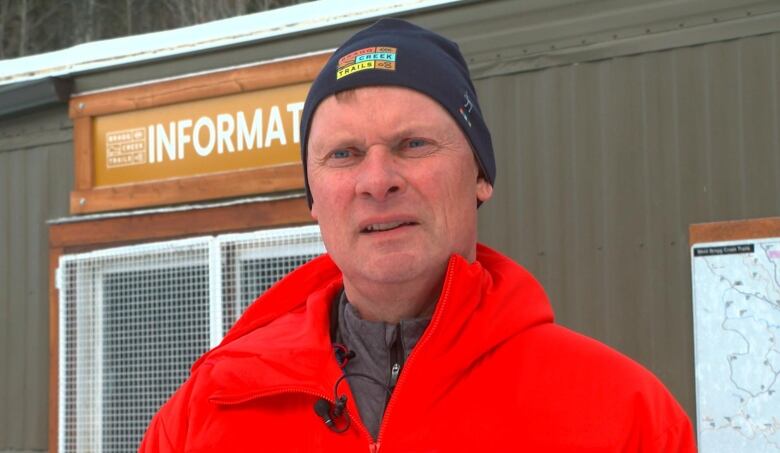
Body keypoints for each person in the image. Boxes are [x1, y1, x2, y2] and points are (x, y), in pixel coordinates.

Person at [140, 19, 696, 452]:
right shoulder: (205, 413)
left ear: (480, 175)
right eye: (344, 154)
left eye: (414, 145)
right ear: (313, 198)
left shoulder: (623, 414)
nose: (377, 181)